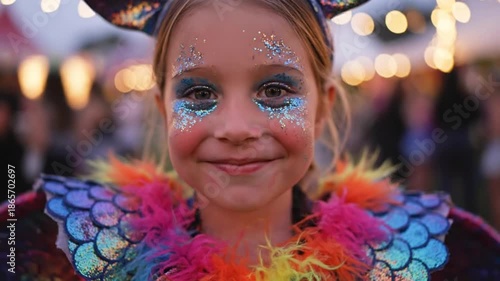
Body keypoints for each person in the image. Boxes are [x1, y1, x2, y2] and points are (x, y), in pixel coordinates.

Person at [1, 1, 499, 280]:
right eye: (199, 91)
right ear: (163, 109)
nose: (236, 126)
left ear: (323, 106)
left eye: (275, 89)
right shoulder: (60, 249)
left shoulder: (428, 261)